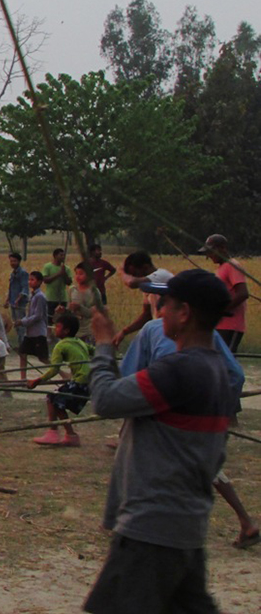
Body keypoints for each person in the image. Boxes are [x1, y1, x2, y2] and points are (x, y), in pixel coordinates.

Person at [82, 270, 236, 613]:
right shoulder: (218, 373)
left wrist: (104, 344)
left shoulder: (177, 371)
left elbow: (105, 400)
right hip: (185, 529)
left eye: (164, 303)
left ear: (184, 313)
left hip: (151, 531)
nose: (159, 309)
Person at [119, 287, 258, 551]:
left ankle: (133, 524)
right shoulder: (208, 335)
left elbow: (127, 379)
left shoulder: (151, 330)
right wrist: (218, 409)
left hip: (163, 415)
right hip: (188, 416)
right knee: (203, 468)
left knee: (142, 457)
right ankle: (244, 521)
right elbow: (235, 376)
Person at [27, 314, 92, 447]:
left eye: (57, 327)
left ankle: (55, 433)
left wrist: (37, 380)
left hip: (80, 381)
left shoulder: (60, 345)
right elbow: (94, 350)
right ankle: (69, 435)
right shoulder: (79, 341)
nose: (55, 329)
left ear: (66, 330)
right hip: (89, 381)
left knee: (53, 398)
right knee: (55, 400)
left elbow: (54, 370)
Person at [112, 250, 175, 347]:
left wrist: (121, 273)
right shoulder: (148, 284)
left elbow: (132, 283)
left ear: (145, 267)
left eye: (135, 274)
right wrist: (124, 331)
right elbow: (147, 315)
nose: (134, 277)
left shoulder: (161, 275)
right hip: (161, 330)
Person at [202, 234, 249, 353]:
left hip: (231, 325)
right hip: (220, 325)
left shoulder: (232, 265)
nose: (209, 256)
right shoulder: (222, 268)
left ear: (222, 248)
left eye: (211, 252)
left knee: (226, 361)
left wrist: (221, 310)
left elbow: (242, 293)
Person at [16, 271, 50, 381]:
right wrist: (22, 321)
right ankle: (23, 378)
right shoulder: (33, 295)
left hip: (38, 332)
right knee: (22, 353)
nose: (30, 282)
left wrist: (23, 322)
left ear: (40, 282)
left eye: (33, 280)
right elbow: (30, 314)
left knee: (43, 358)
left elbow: (38, 316)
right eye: (29, 279)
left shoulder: (40, 297)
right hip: (30, 332)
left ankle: (62, 373)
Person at [67, 262, 104, 344]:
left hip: (89, 331)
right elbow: (68, 309)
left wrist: (80, 308)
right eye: (76, 274)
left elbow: (94, 313)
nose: (78, 276)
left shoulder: (94, 292)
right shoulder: (72, 290)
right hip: (75, 330)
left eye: (81, 274)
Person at [41, 248, 71, 325]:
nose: (63, 257)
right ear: (55, 256)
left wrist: (64, 274)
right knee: (49, 319)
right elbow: (46, 280)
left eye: (64, 255)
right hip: (50, 298)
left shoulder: (66, 268)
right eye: (61, 255)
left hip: (62, 298)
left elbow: (69, 282)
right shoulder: (48, 267)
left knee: (62, 320)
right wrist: (59, 274)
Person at [7, 252, 29, 342]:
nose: (12, 263)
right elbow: (11, 288)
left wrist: (17, 300)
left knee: (21, 322)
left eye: (14, 261)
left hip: (20, 303)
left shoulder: (23, 273)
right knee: (15, 322)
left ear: (19, 261)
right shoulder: (13, 273)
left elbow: (24, 288)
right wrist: (7, 300)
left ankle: (23, 342)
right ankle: (20, 341)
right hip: (13, 302)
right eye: (11, 261)